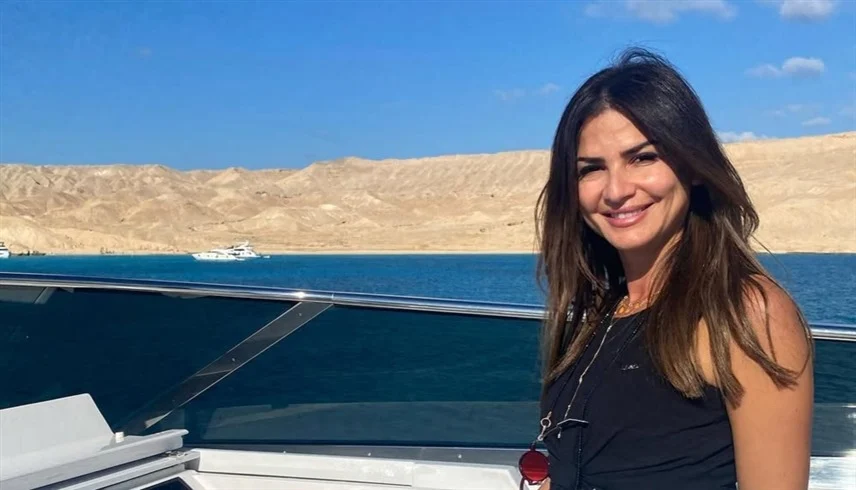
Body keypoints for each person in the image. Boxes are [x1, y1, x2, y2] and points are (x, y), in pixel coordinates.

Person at [527, 48, 814, 490]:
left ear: (693, 166)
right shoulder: (604, 311)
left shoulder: (747, 314)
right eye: (592, 169)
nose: (616, 190)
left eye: (642, 158)